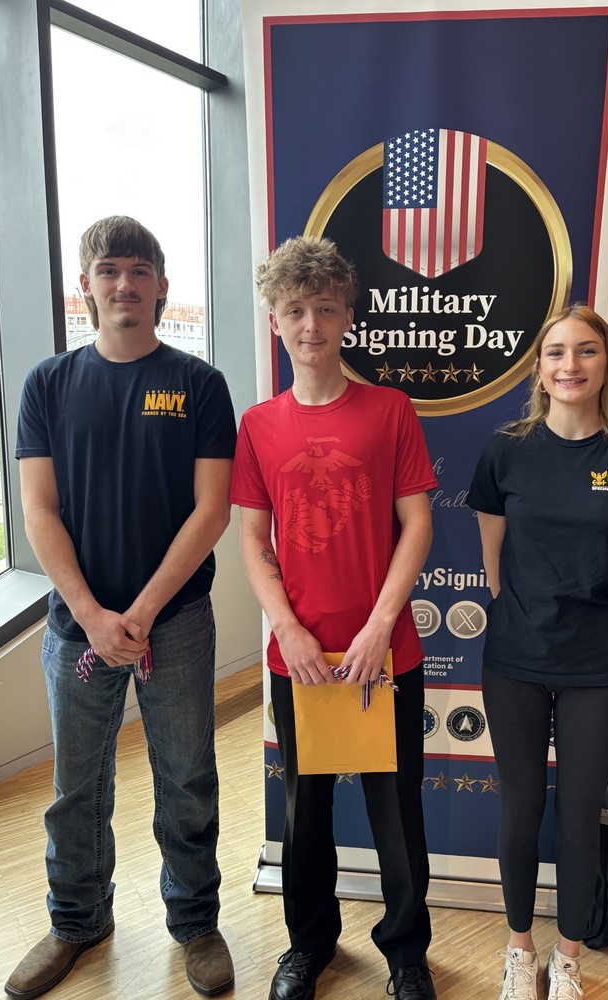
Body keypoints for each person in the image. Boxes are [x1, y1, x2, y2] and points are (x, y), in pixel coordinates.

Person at [7, 216, 237, 999]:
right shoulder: (47, 384)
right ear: (87, 285)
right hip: (77, 626)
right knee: (77, 785)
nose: (125, 285)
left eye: (140, 271)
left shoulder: (199, 385)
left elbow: (210, 512)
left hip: (172, 624)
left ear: (162, 287)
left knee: (187, 778)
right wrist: (97, 618)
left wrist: (136, 615)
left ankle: (195, 922)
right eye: (109, 270)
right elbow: (39, 512)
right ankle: (76, 920)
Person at [230, 236, 438, 1000]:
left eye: (324, 308)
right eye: (295, 310)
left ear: (348, 316)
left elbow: (416, 522)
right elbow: (253, 542)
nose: (310, 324)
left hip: (385, 655)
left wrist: (381, 624)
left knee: (397, 810)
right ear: (275, 320)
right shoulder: (257, 426)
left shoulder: (389, 410)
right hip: (304, 659)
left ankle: (406, 953)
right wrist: (286, 628)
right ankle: (308, 944)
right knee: (305, 813)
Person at [467, 305, 608, 1000]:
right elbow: (494, 560)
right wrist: (526, 613)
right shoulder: (507, 450)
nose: (571, 365)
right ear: (540, 368)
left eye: (587, 351)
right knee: (521, 807)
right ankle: (519, 951)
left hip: (595, 661)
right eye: (556, 352)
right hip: (516, 656)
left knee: (580, 811)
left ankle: (568, 959)